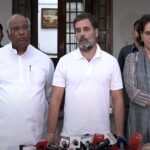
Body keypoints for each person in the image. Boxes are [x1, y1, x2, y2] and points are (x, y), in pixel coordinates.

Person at [47, 13, 124, 144]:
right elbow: (55, 99)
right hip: (70, 137)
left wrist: (120, 134)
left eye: (86, 29)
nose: (81, 34)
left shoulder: (111, 62)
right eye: (78, 30)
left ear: (96, 32)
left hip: (102, 138)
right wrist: (51, 133)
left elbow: (118, 100)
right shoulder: (64, 61)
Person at [0, 14, 54, 150]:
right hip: (3, 137)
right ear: (8, 33)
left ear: (30, 31)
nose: (21, 32)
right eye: (16, 29)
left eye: (25, 28)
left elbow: (50, 97)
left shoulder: (44, 60)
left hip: (35, 138)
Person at [124, 14, 150, 144]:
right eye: (147, 33)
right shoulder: (131, 59)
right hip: (139, 119)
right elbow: (132, 91)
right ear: (141, 34)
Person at [118, 19, 142, 138]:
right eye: (138, 30)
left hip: (146, 102)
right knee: (128, 134)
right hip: (128, 102)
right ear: (134, 33)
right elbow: (119, 77)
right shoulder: (125, 51)